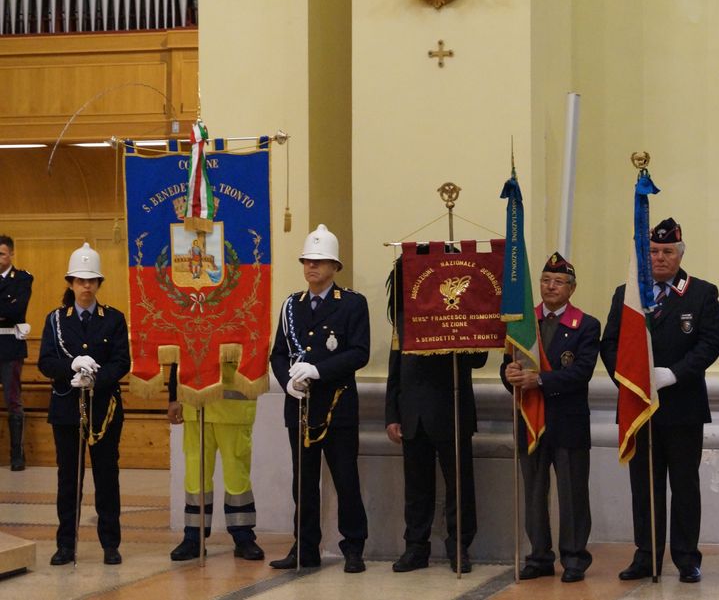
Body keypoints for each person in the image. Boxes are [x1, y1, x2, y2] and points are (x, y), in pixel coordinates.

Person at [601, 218, 719, 583]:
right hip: (639, 407)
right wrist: (630, 381)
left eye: (667, 251)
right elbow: (610, 344)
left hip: (683, 406)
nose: (660, 257)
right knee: (644, 486)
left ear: (680, 254)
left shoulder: (701, 293)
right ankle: (646, 555)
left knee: (684, 486)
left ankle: (686, 558)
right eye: (653, 251)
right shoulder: (628, 294)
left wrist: (674, 374)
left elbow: (708, 345)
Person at [269, 224, 369, 572]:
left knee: (345, 479)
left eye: (319, 261)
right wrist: (287, 382)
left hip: (337, 406)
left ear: (334, 266)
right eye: (307, 261)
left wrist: (318, 370)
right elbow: (278, 354)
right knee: (304, 482)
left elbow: (359, 352)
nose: (311, 266)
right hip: (300, 406)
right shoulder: (291, 306)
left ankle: (353, 546)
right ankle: (305, 547)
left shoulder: (352, 304)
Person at [384, 248, 487, 574]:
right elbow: (395, 370)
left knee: (459, 486)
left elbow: (479, 358)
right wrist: (391, 414)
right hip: (412, 413)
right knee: (416, 489)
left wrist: (463, 327)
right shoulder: (405, 317)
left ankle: (459, 546)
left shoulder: (459, 313)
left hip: (451, 410)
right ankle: (416, 547)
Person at [501, 252, 600, 583]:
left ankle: (574, 557)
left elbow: (581, 372)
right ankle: (539, 556)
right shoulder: (522, 323)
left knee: (572, 494)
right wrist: (510, 375)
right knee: (534, 492)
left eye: (558, 281)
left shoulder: (586, 325)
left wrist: (540, 380)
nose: (550, 286)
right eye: (545, 280)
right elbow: (508, 367)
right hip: (529, 419)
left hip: (567, 421)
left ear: (571, 288)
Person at [38, 243, 129, 566]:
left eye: (91, 280)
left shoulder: (113, 319)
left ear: (99, 283)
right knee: (68, 480)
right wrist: (71, 367)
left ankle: (110, 544)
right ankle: (66, 544)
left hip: (104, 410)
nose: (86, 286)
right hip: (67, 410)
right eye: (80, 280)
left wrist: (95, 379)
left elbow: (121, 362)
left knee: (107, 478)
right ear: (71, 283)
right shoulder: (55, 320)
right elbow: (46, 362)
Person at [167, 362, 265, 562]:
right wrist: (173, 397)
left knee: (237, 476)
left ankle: (243, 536)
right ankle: (193, 537)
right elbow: (178, 353)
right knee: (195, 476)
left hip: (233, 409)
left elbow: (256, 351)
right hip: (195, 406)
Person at [0, 234, 32, 471]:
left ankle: (17, 455)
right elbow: (8, 310)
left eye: (1, 254)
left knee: (13, 400)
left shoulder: (22, 278)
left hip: (10, 345)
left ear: (11, 254)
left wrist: (8, 312)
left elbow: (16, 310)